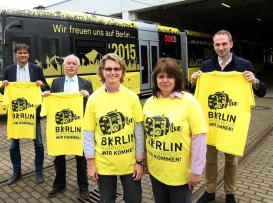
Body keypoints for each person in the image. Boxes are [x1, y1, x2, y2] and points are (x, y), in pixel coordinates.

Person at [190, 30, 266, 203]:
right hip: (210, 122)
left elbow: (261, 91)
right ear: (214, 46)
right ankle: (209, 191)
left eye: (224, 44)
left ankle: (230, 193)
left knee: (231, 161)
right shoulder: (206, 66)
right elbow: (196, 95)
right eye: (217, 44)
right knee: (210, 160)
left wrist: (254, 81)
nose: (221, 47)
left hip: (232, 123)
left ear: (231, 44)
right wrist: (193, 82)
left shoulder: (244, 64)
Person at [142, 57, 208, 203]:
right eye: (161, 76)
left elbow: (200, 137)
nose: (165, 80)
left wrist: (196, 171)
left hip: (180, 175)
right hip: (156, 171)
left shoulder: (189, 102)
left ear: (177, 78)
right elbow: (147, 135)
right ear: (155, 79)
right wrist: (144, 160)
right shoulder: (150, 102)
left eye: (169, 76)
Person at [83, 53, 144, 203]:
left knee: (134, 199)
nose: (112, 72)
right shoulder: (93, 99)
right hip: (104, 164)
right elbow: (88, 132)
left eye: (116, 68)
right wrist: (91, 164)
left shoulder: (132, 97)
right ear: (102, 71)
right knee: (106, 200)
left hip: (129, 163)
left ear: (122, 72)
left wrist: (140, 162)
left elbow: (139, 132)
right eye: (108, 68)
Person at [0, 43, 49, 185]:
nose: (22, 55)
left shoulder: (36, 69)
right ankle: (16, 172)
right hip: (15, 116)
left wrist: (42, 85)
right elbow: (4, 93)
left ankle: (39, 171)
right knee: (13, 145)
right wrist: (3, 87)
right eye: (20, 53)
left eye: (25, 53)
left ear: (28, 54)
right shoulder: (8, 70)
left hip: (33, 114)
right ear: (16, 54)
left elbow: (46, 87)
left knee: (39, 144)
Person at [45, 54, 93, 199]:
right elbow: (53, 104)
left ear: (78, 67)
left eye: (74, 64)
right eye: (68, 63)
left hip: (80, 126)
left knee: (81, 157)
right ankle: (59, 185)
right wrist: (47, 96)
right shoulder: (55, 82)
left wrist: (87, 96)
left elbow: (93, 105)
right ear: (64, 66)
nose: (71, 66)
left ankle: (83, 187)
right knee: (59, 156)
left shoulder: (86, 83)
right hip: (61, 127)